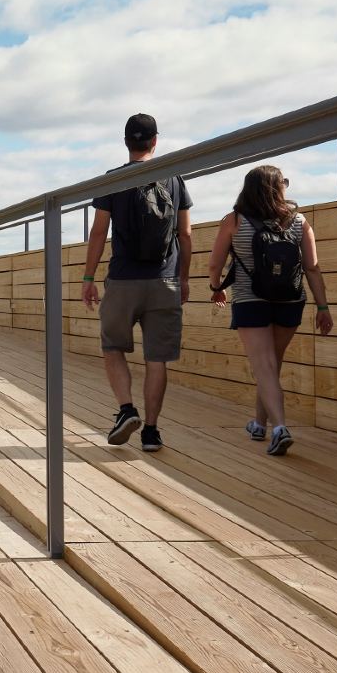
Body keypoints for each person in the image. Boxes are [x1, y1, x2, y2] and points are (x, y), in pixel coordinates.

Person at [79, 113, 191, 452]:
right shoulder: (174, 178)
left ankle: (127, 409)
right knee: (156, 358)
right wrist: (183, 278)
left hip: (124, 279)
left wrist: (88, 277)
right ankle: (152, 432)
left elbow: (99, 233)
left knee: (112, 347)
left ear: (126, 142)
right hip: (164, 279)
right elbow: (185, 234)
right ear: (155, 141)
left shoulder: (112, 181)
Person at [208, 164, 333, 456]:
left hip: (251, 300)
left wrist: (217, 287)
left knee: (264, 366)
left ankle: (280, 428)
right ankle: (259, 424)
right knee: (272, 364)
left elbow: (215, 264)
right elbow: (312, 267)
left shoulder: (234, 220)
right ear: (278, 188)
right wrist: (323, 306)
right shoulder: (299, 220)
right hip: (290, 300)